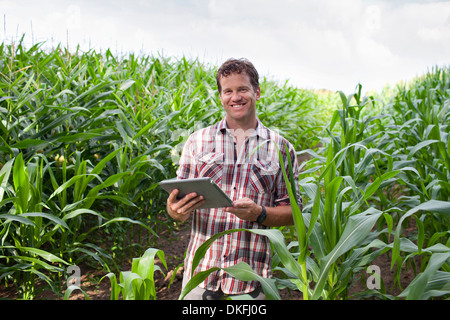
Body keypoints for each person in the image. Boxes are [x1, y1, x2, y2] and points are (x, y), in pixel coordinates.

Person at [166, 58, 301, 300]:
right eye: (228, 91)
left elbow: (294, 213)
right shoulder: (197, 142)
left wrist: (258, 213)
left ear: (257, 92)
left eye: (242, 89)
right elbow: (178, 202)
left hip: (252, 280)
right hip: (200, 276)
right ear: (220, 96)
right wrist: (176, 212)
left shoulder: (280, 148)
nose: (235, 97)